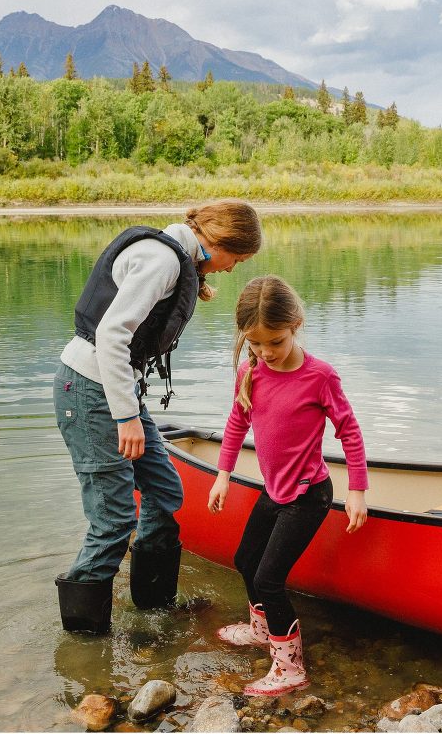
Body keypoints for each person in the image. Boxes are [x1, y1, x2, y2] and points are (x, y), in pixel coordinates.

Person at [54, 200, 263, 634]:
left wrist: (128, 406)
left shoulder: (175, 257)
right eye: (236, 259)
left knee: (165, 489)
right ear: (220, 241)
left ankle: (153, 609)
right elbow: (112, 333)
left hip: (112, 387)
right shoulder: (162, 258)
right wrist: (126, 416)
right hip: (92, 390)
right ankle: (84, 638)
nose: (230, 269)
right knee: (113, 518)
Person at [208, 275, 368, 695]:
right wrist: (223, 474)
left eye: (274, 342)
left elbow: (349, 431)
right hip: (274, 490)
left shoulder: (320, 377)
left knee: (269, 580)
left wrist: (357, 490)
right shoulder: (251, 370)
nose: (265, 353)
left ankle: (291, 667)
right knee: (245, 560)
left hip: (308, 495)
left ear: (295, 324)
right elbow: (235, 422)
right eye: (256, 344)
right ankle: (263, 632)